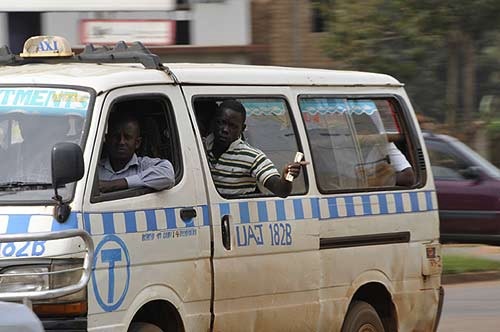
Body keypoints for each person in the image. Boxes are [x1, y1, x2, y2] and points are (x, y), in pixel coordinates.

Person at [206, 99, 308, 198]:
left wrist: (287, 177)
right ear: (214, 121)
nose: (225, 130)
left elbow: (281, 190)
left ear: (242, 129)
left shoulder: (252, 157)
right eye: (221, 122)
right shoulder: (201, 147)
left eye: (233, 126)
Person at [98, 111, 175, 193]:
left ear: (137, 143)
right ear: (107, 139)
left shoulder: (144, 166)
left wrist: (114, 184)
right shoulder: (94, 169)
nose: (121, 142)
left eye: (127, 137)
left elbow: (168, 175)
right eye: (116, 136)